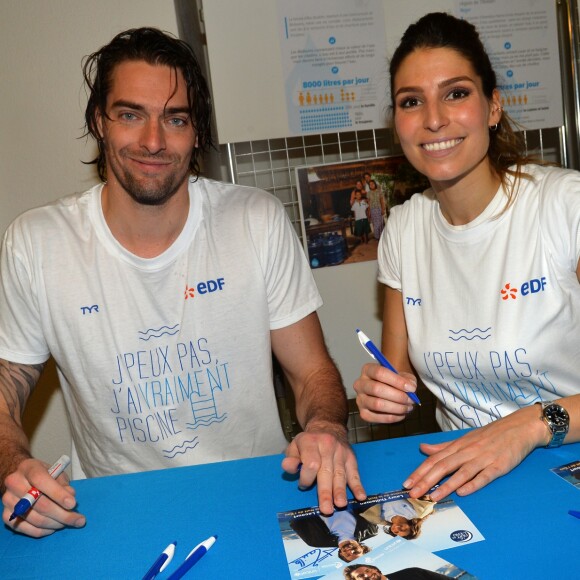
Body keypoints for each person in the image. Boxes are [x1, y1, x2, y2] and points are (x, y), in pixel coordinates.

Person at [0, 27, 366, 538]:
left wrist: (325, 428)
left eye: (175, 119)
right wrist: (12, 466)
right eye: (131, 115)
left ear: (196, 133)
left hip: (259, 495)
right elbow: (7, 384)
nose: (153, 141)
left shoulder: (255, 220)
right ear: (98, 122)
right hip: (112, 514)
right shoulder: (36, 243)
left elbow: (311, 374)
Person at [354, 11, 580, 503]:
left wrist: (527, 427)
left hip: (566, 466)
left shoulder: (566, 207)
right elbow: (395, 380)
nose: (434, 118)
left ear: (493, 106)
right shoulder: (404, 230)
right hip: (461, 482)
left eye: (455, 93)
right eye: (411, 102)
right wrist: (380, 395)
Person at [290, 507, 377, 562]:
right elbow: (367, 506)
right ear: (363, 548)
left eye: (348, 555)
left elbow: (294, 520)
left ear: (341, 554)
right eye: (356, 552)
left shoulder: (315, 542)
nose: (350, 551)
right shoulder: (371, 530)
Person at [360, 495, 436, 539]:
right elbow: (427, 499)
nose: (398, 528)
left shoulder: (377, 518)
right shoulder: (416, 513)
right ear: (411, 527)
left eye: (396, 532)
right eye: (403, 529)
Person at [343, 563, 447, 580]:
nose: (366, 575)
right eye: (360, 576)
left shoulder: (413, 572)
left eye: (368, 570)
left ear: (376, 569)